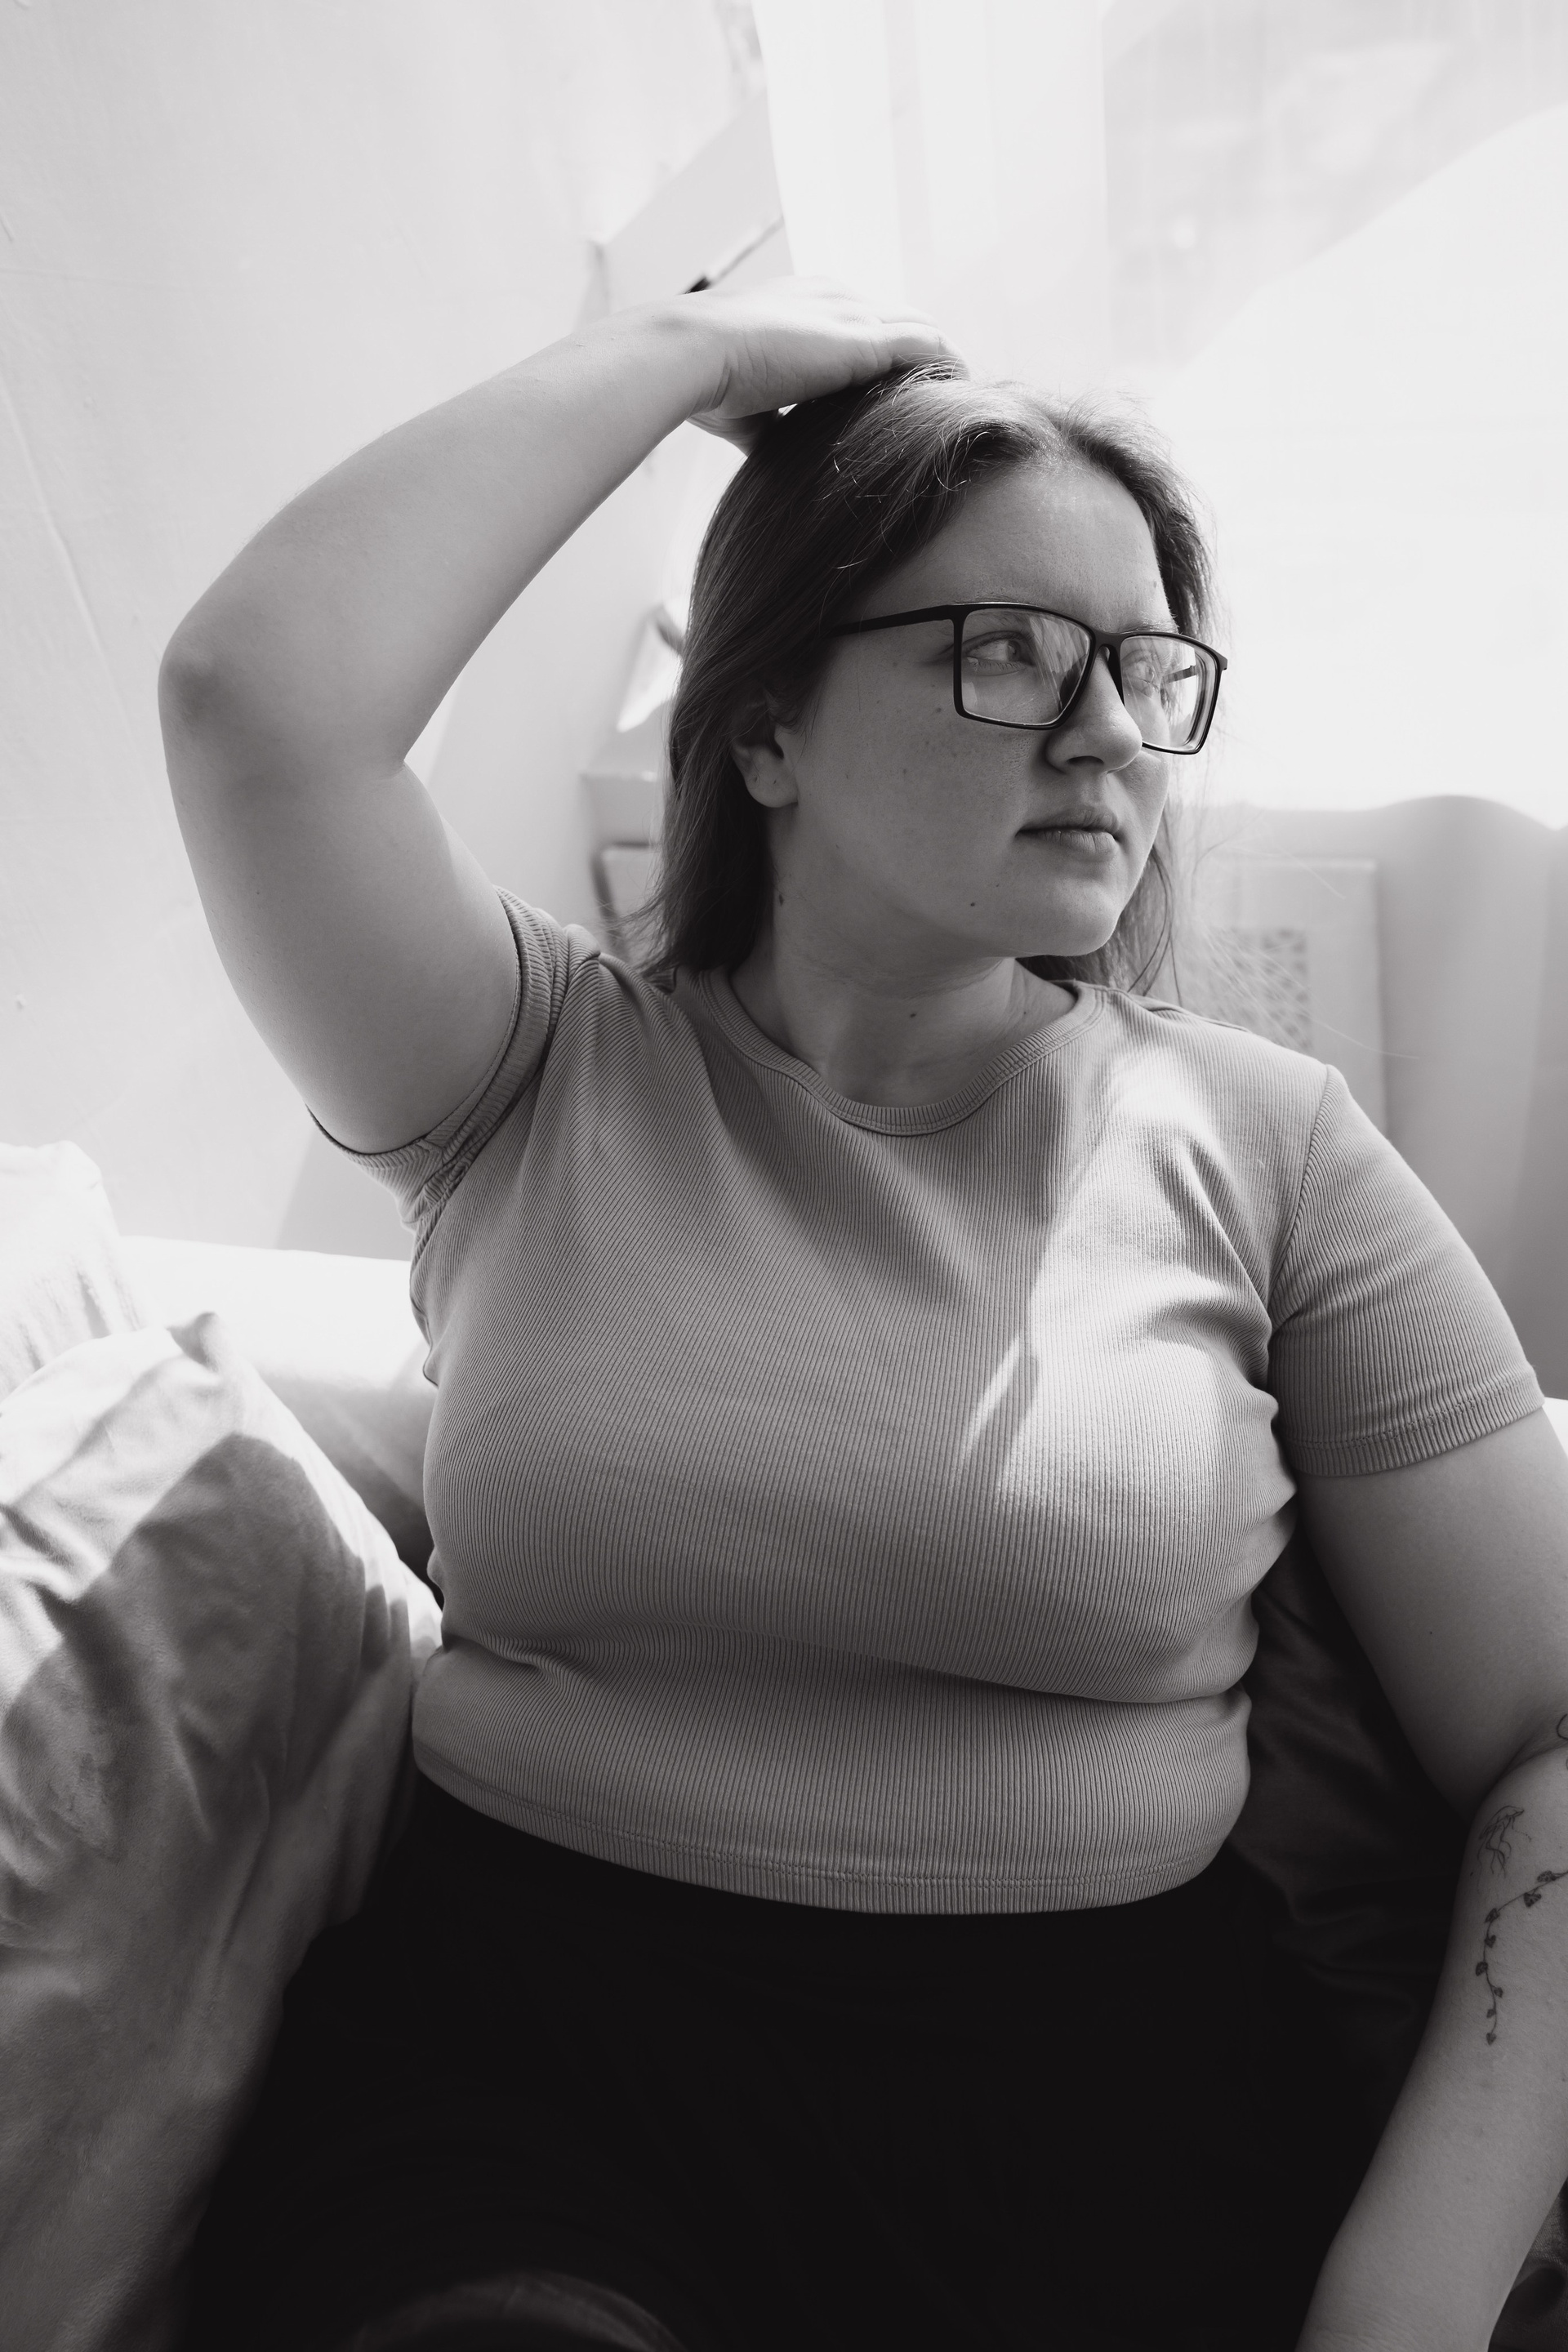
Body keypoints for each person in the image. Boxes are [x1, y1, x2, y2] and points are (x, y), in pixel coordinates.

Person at [161, 281, 1568, 2352]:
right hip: (528, 2077)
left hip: (1100, 2125)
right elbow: (256, 703)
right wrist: (693, 357)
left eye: (1144, 667)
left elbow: (1548, 1738)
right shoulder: (529, 1072)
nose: (1108, 733)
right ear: (766, 731)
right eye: (1011, 651)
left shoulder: (1270, 1148)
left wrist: (1410, 2296)